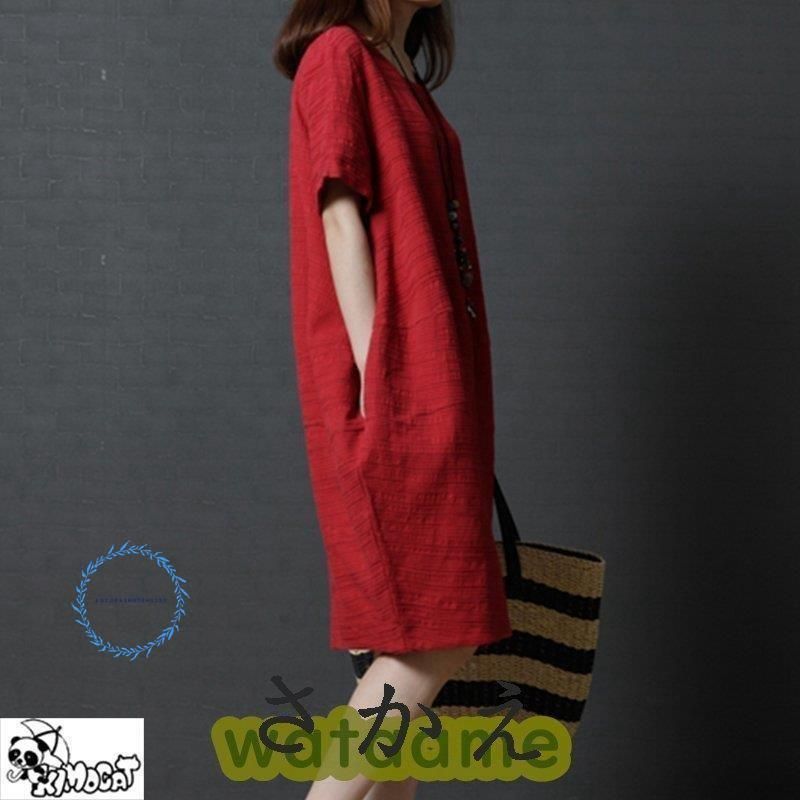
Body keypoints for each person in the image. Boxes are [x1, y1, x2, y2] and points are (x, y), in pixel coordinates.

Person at [275, 2, 513, 796]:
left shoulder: (396, 69)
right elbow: (339, 215)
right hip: (395, 389)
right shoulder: (339, 55)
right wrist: (382, 369)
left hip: (437, 381)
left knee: (407, 652)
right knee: (434, 632)